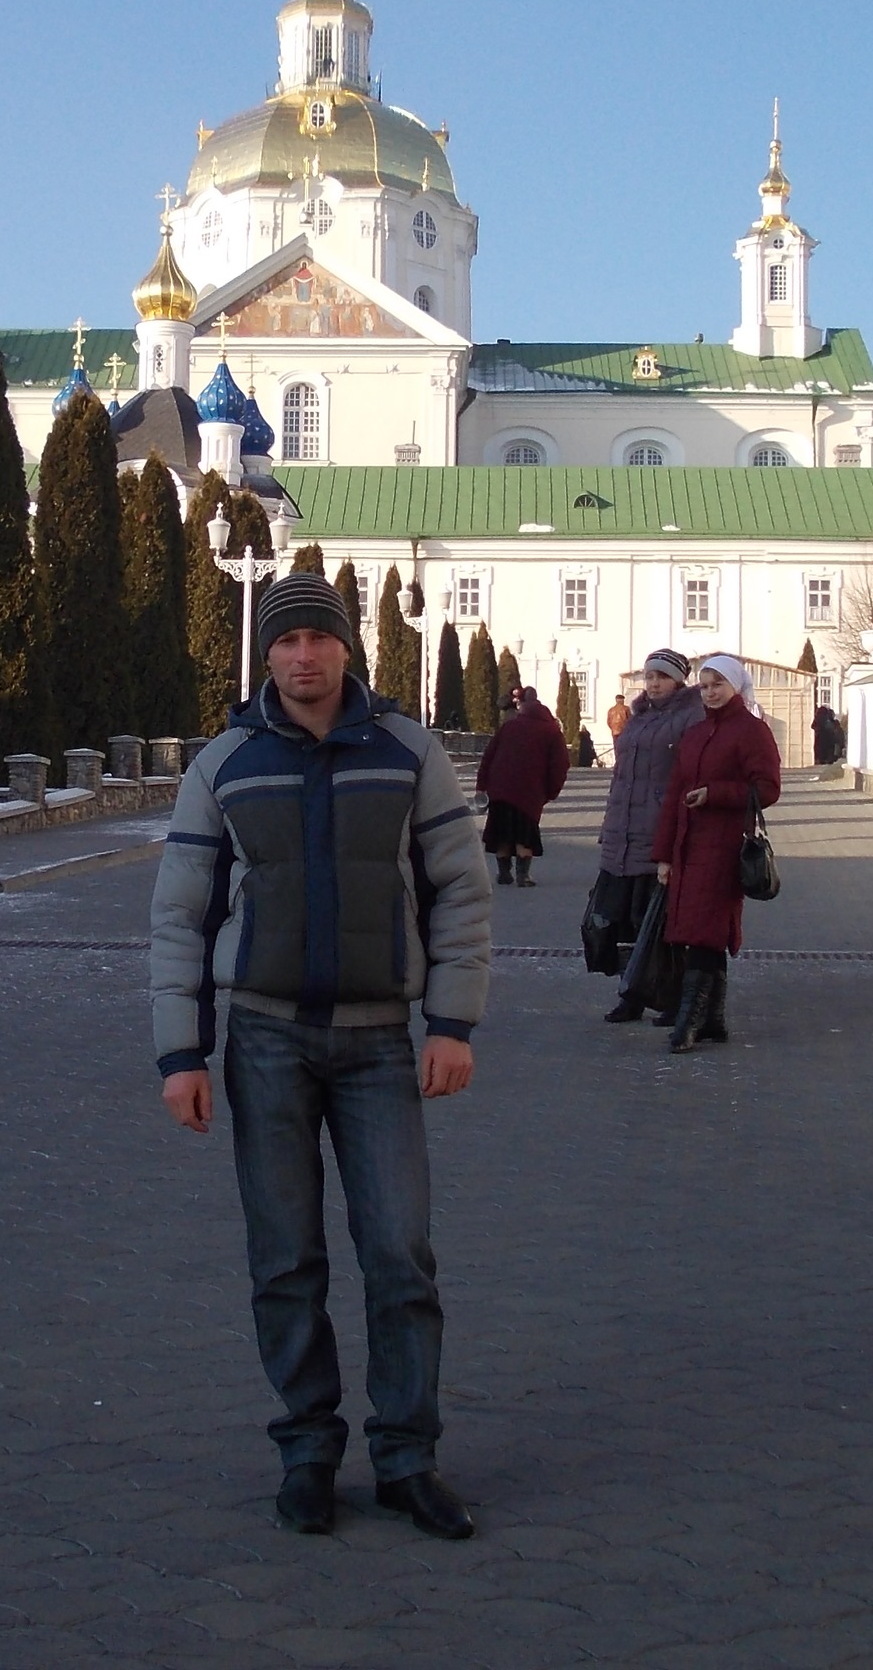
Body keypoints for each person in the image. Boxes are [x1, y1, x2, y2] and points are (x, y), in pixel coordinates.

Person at [149, 570, 493, 1539]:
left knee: (399, 1254)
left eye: (319, 638)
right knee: (285, 1260)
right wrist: (181, 1054)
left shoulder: (406, 751)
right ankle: (306, 1451)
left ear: (347, 647)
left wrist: (452, 1024)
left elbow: (460, 891)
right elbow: (181, 916)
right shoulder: (225, 763)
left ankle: (406, 1458)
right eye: (287, 640)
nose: (304, 656)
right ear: (267, 654)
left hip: (379, 1042)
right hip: (264, 1042)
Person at [651, 654, 783, 1053]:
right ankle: (713, 1020)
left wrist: (716, 794)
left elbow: (768, 788)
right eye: (704, 686)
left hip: (725, 846)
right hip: (687, 846)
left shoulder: (752, 731)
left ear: (735, 686)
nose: (709, 693)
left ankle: (689, 1021)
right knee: (701, 932)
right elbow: (674, 796)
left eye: (717, 685)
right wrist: (664, 855)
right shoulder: (695, 733)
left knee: (703, 933)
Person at [594, 650, 703, 1023]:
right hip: (623, 831)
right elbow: (622, 774)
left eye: (662, 677)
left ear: (678, 680)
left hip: (657, 831)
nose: (654, 684)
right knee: (622, 921)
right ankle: (631, 995)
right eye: (650, 677)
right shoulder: (637, 715)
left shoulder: (691, 716)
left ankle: (671, 998)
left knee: (657, 922)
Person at [475, 686, 569, 887]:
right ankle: (523, 876)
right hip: (530, 792)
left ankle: (503, 873)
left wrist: (481, 785)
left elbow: (488, 756)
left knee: (502, 832)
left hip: (499, 788)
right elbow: (560, 765)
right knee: (524, 834)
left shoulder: (509, 727)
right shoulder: (552, 731)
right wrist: (551, 791)